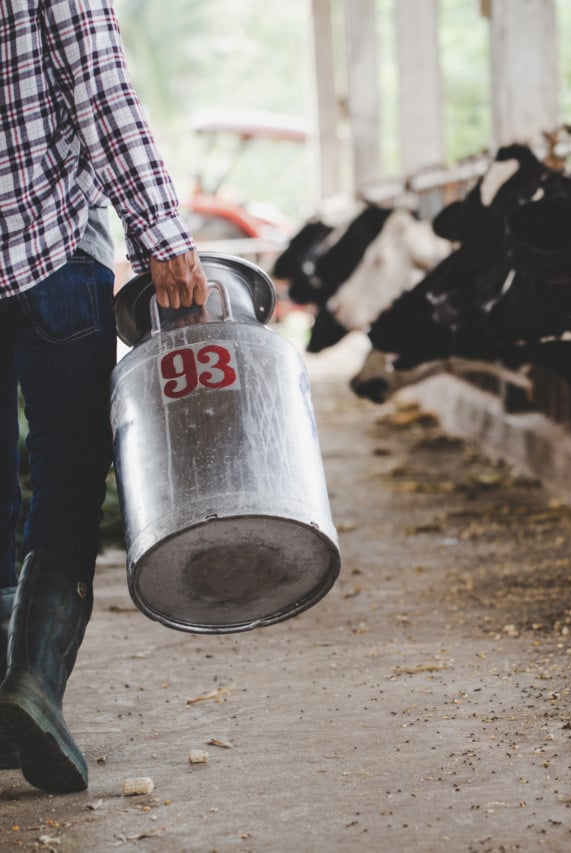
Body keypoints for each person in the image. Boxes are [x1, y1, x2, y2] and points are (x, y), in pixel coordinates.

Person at [0, 0, 208, 793]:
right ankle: (35, 688)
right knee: (70, 469)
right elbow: (100, 88)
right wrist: (161, 233)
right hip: (55, 252)